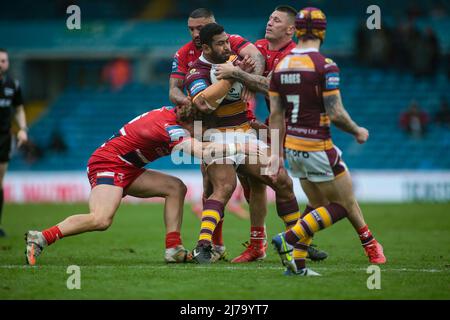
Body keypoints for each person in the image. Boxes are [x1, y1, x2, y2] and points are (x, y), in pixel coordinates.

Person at [24, 104, 258, 265]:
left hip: (127, 166)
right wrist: (241, 147)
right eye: (202, 128)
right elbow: (201, 151)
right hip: (108, 164)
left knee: (176, 187)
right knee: (101, 219)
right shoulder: (172, 129)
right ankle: (41, 237)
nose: (203, 132)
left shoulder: (174, 116)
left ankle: (173, 249)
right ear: (190, 122)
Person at [268, 7, 386, 276]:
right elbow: (335, 113)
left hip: (293, 148)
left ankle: (297, 267)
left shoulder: (281, 66)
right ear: (322, 31)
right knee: (343, 205)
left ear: (297, 30)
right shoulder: (325, 65)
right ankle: (288, 237)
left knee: (316, 206)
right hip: (318, 146)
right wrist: (357, 130)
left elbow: (275, 115)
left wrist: (276, 154)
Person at [213, 6, 328, 263]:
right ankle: (260, 245)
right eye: (269, 18)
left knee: (305, 186)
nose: (269, 22)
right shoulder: (261, 46)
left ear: (290, 29)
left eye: (276, 20)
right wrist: (246, 77)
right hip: (272, 125)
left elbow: (272, 85)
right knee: (259, 181)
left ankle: (300, 238)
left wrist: (240, 75)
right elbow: (253, 71)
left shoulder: (294, 56)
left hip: (302, 128)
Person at [185, 23, 304, 264]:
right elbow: (203, 104)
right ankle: (204, 246)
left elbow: (261, 73)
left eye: (227, 41)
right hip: (216, 138)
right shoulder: (196, 72)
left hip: (246, 134)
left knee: (281, 180)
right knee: (225, 187)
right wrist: (231, 77)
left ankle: (299, 242)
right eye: (220, 43)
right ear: (206, 47)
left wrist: (243, 75)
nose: (227, 47)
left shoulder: (235, 61)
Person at [168, 8, 265, 255]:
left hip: (241, 120)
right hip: (206, 124)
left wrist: (250, 80)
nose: (195, 33)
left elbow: (256, 55)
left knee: (253, 182)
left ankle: (257, 243)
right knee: (211, 183)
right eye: (191, 28)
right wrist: (191, 101)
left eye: (200, 28)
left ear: (213, 25)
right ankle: (216, 244)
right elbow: (173, 91)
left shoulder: (229, 42)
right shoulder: (184, 53)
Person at [0, 48, 28, 237]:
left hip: (3, 137)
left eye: (4, 61)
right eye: (0, 60)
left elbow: (18, 108)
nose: (2, 63)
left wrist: (23, 130)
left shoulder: (13, 85)